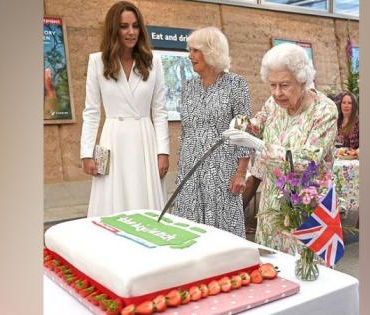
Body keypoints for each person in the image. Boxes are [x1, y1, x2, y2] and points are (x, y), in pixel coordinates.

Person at [238, 43, 338, 253]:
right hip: (272, 205)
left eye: (284, 85)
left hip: (307, 205)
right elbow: (257, 125)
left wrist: (261, 148)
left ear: (302, 81)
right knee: (273, 270)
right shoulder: (273, 103)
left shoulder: (324, 110)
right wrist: (241, 125)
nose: (276, 93)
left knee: (309, 273)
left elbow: (307, 160)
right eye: (272, 85)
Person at [80, 1, 170, 217]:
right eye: (124, 26)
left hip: (144, 139)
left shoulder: (153, 61)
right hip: (113, 139)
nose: (131, 32)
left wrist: (163, 151)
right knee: (112, 202)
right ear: (114, 29)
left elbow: (160, 110)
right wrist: (86, 152)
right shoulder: (97, 62)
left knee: (145, 201)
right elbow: (91, 111)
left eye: (136, 26)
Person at [172, 27, 252, 238]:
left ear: (211, 51)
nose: (190, 56)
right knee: (189, 230)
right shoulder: (188, 87)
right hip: (190, 169)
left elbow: (243, 130)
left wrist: (241, 173)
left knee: (222, 232)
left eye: (196, 50)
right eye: (190, 50)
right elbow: (186, 130)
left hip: (222, 171)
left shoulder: (237, 85)